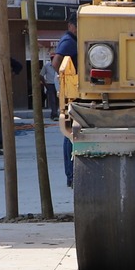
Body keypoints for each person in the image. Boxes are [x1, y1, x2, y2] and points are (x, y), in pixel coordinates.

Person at [53, 14, 77, 187]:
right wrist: (68, 82)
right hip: (71, 92)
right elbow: (56, 63)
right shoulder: (69, 41)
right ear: (70, 25)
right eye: (78, 25)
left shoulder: (72, 40)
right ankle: (71, 175)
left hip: (72, 91)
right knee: (70, 133)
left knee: (71, 134)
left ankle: (71, 175)